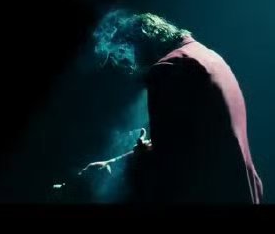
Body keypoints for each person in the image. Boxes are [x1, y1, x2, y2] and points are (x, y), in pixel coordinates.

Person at [82, 11, 263, 204]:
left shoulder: (170, 67)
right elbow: (189, 139)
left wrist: (127, 166)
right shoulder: (208, 56)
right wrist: (117, 162)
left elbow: (168, 161)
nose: (133, 67)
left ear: (142, 45)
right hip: (238, 188)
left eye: (128, 56)